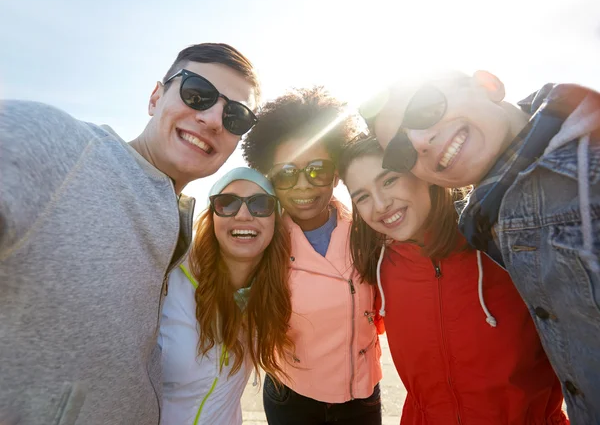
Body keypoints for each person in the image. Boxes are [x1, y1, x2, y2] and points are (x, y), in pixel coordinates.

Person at [0, 43, 260, 425]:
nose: (213, 119)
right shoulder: (61, 147)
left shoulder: (176, 223)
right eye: (197, 93)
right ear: (155, 97)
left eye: (236, 116)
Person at [363, 72, 599, 423]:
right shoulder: (486, 221)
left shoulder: (587, 162)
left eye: (425, 108)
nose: (419, 141)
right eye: (400, 151)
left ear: (489, 85)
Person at [338, 135, 568, 424]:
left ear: (425, 173)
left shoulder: (505, 245)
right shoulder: (378, 268)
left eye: (389, 180)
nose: (381, 204)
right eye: (362, 196)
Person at [242, 87, 383, 425]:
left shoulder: (370, 232)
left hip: (363, 396)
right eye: (286, 173)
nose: (303, 185)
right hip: (292, 397)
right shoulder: (258, 244)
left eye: (317, 169)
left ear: (336, 174)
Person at [159, 167, 292, 425]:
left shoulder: (271, 294)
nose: (243, 215)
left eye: (261, 204)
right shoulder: (169, 276)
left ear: (275, 220)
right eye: (227, 203)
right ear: (212, 216)